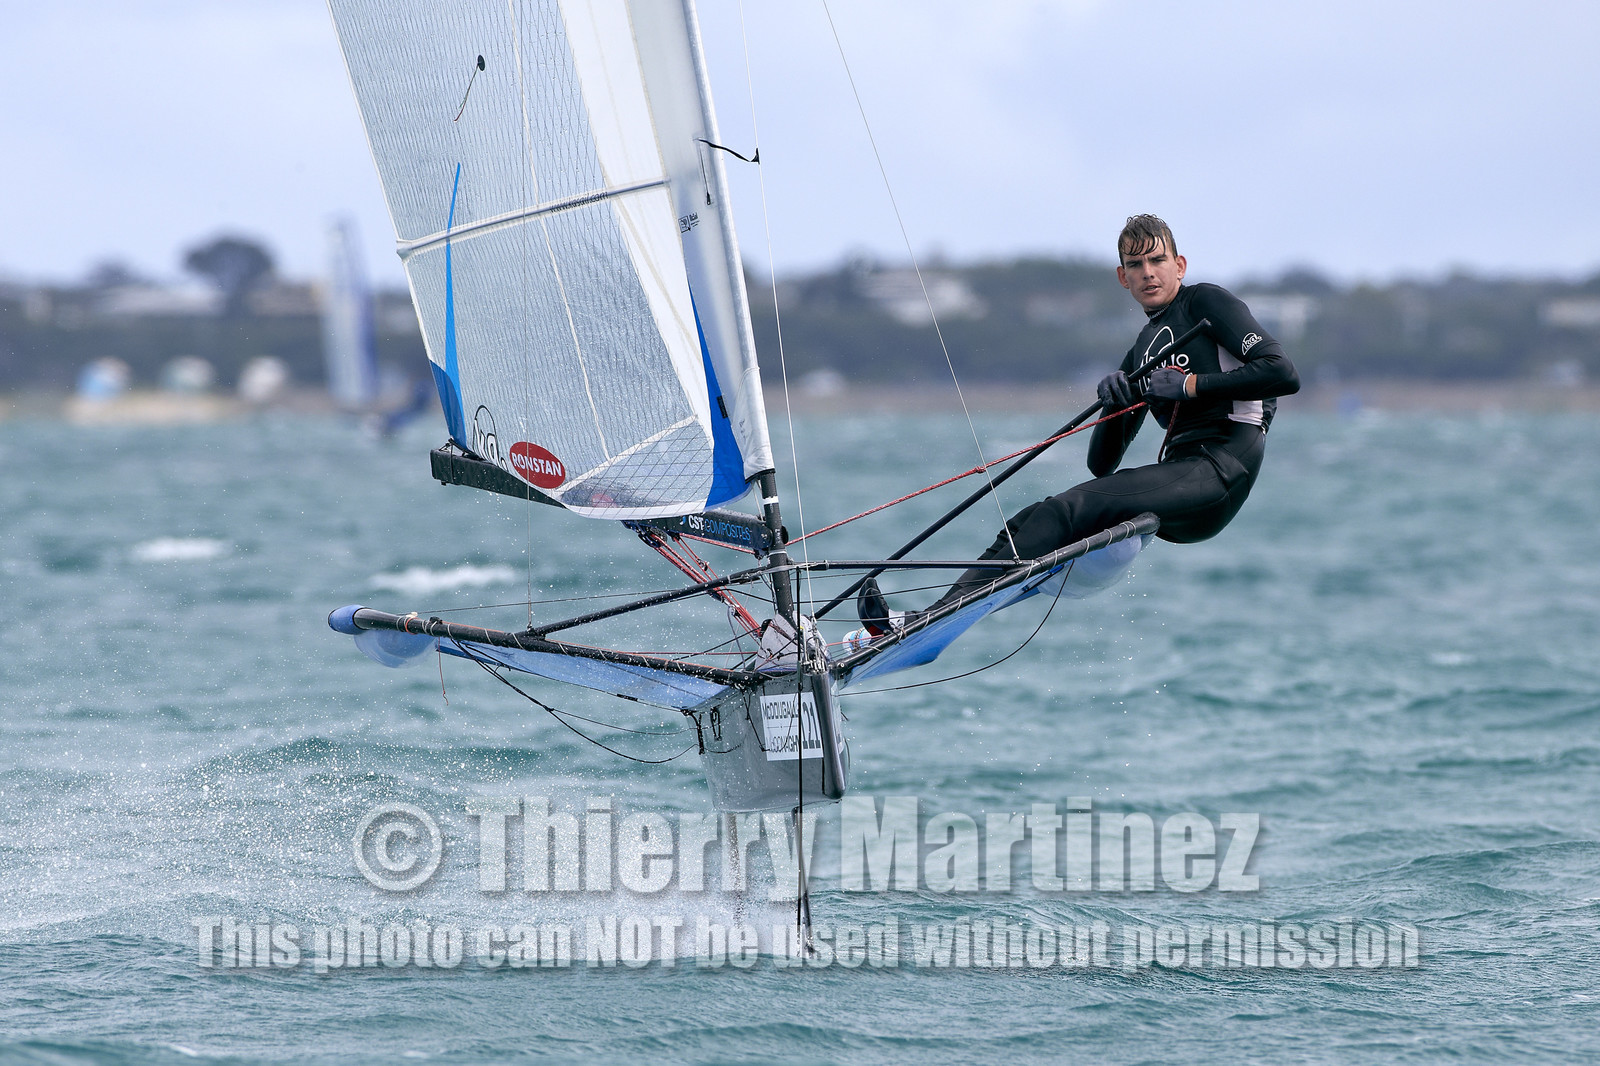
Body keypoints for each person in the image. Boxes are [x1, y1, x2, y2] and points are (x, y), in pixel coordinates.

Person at [858, 214, 1300, 634]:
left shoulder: (1205, 302)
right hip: (1186, 478)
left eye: (1157, 260)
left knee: (1066, 509)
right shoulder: (1141, 351)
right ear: (1122, 277)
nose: (1148, 272)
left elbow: (1282, 372)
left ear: (1179, 265)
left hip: (1221, 468)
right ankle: (925, 619)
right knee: (1036, 518)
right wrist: (1114, 403)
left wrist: (1189, 386)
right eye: (1135, 264)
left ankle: (925, 619)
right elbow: (1101, 465)